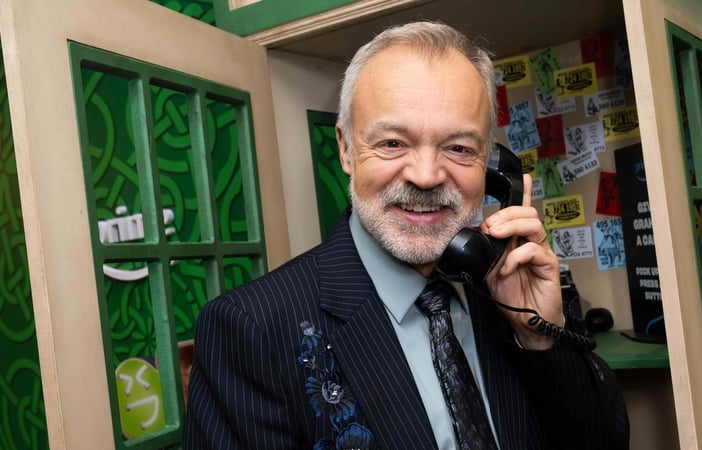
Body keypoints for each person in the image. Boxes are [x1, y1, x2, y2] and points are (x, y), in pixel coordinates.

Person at [184, 21, 629, 450]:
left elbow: (603, 442)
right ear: (346, 149)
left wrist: (540, 336)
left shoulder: (511, 294)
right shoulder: (250, 329)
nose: (426, 176)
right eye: (393, 143)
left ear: (490, 167)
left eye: (458, 148)